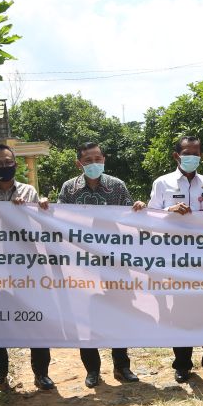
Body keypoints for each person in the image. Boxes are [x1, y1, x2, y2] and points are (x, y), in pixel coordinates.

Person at [133, 134, 203, 383]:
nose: (192, 157)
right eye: (187, 153)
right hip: (175, 260)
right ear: (177, 156)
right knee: (181, 312)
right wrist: (169, 211)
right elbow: (150, 217)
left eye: (196, 153)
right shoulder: (162, 183)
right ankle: (182, 364)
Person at [0, 144, 55, 390]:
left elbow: (40, 225)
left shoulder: (30, 192)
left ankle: (41, 374)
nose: (3, 166)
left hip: (27, 268)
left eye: (7, 162)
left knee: (36, 319)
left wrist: (39, 207)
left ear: (15, 165)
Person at [58, 141, 140, 388]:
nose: (94, 163)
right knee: (86, 315)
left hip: (115, 262)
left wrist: (138, 209)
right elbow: (58, 220)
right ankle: (92, 370)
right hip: (82, 263)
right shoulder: (69, 189)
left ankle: (122, 366)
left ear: (104, 159)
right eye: (88, 160)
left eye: (98, 158)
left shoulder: (117, 186)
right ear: (79, 163)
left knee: (119, 313)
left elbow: (129, 219)